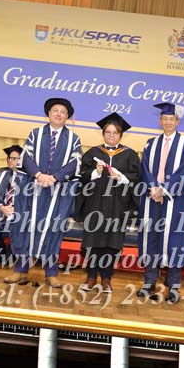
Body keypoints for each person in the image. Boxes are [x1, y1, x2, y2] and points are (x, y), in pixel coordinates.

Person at [6, 98, 81, 288]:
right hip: (33, 188)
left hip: (58, 191)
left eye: (62, 111)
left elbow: (74, 163)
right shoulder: (36, 134)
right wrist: (39, 175)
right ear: (49, 113)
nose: (58, 114)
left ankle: (51, 273)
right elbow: (26, 157)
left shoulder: (73, 139)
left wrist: (54, 178)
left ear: (67, 116)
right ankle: (20, 270)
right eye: (55, 110)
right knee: (27, 227)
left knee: (53, 229)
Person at [75, 112, 141, 293]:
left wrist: (122, 177)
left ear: (120, 135)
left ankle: (106, 278)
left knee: (111, 244)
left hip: (117, 206)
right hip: (95, 205)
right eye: (108, 132)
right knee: (92, 242)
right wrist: (95, 173)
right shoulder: (93, 153)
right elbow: (81, 177)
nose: (111, 135)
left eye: (115, 132)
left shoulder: (129, 155)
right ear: (103, 133)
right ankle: (90, 277)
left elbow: (137, 178)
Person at [137, 102, 184, 304]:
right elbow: (145, 168)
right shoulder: (150, 143)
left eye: (172, 119)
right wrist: (153, 188)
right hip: (152, 198)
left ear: (177, 121)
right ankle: (149, 282)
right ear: (160, 121)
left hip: (175, 200)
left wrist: (164, 189)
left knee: (175, 240)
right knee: (151, 237)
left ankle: (174, 285)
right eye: (165, 119)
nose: (168, 122)